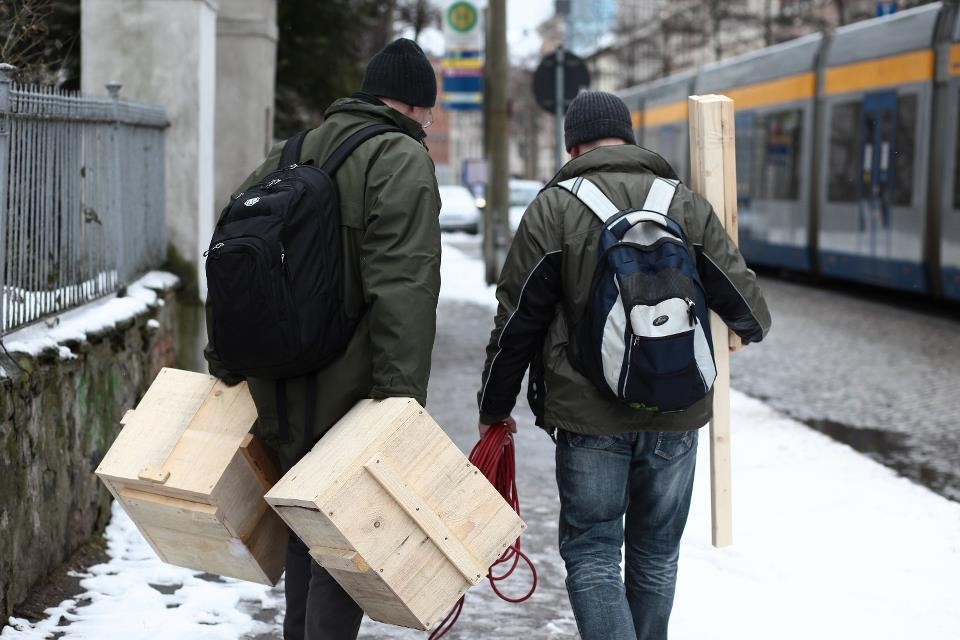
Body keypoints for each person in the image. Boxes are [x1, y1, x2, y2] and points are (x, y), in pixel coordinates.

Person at [476, 90, 771, 640]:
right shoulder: (682, 201)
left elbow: (517, 323)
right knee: (656, 554)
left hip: (590, 418)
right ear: (629, 139)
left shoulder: (554, 208)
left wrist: (494, 408)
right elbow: (750, 310)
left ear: (573, 146)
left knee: (593, 555)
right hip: (677, 413)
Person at [204, 38, 441, 640]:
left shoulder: (292, 151)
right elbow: (404, 284)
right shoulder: (399, 158)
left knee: (308, 536)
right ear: (416, 106)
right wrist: (399, 398)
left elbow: (232, 255)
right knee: (344, 550)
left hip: (278, 383)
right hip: (348, 390)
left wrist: (226, 358)